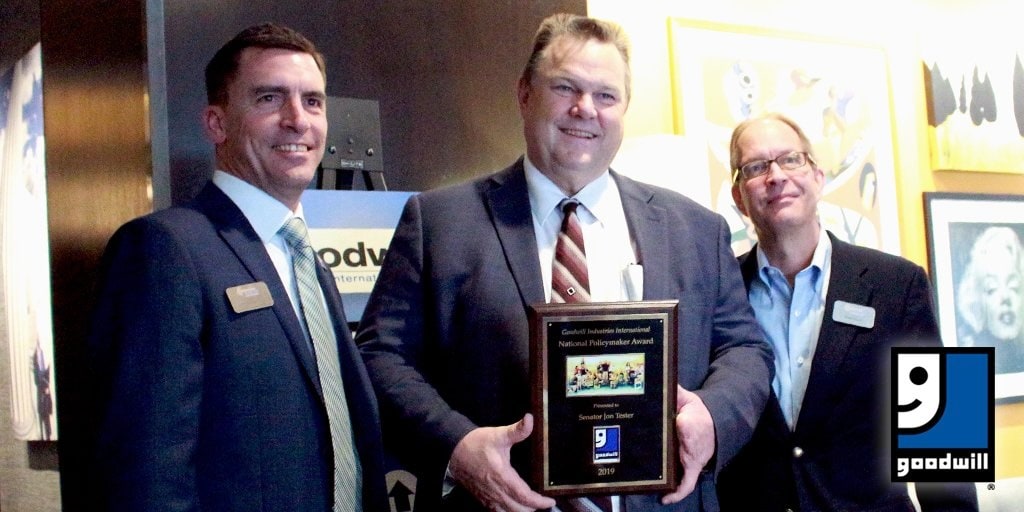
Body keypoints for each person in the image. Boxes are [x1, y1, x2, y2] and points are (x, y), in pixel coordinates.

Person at [356, 13, 773, 512]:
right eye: (565, 87)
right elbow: (380, 356)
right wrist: (457, 447)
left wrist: (712, 416)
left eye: (606, 95)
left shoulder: (697, 229)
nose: (585, 109)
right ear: (524, 94)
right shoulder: (439, 222)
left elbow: (745, 350)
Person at [85, 23, 387, 511]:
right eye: (270, 98)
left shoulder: (310, 263)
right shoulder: (165, 250)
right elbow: (144, 471)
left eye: (312, 101)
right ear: (216, 123)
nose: (297, 120)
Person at [717, 113, 978, 511]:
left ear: (818, 177)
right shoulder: (721, 291)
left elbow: (944, 444)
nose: (776, 176)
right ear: (739, 197)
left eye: (790, 159)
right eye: (756, 167)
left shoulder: (901, 283)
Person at [956, 226, 1024, 373]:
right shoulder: (966, 365)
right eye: (992, 289)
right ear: (976, 301)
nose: (1005, 298)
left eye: (1014, 287)